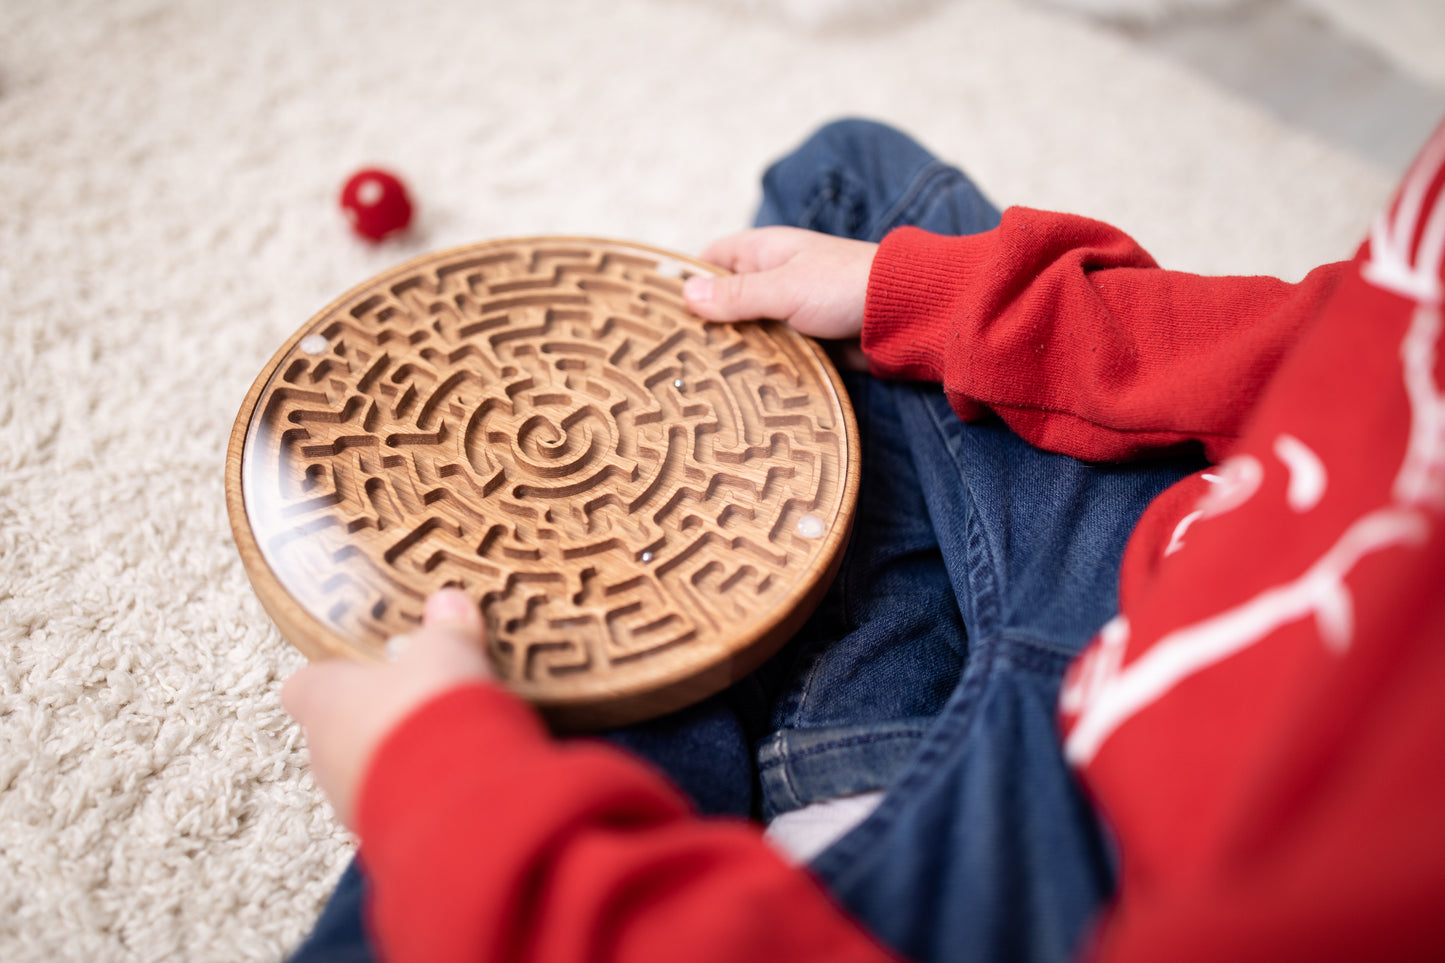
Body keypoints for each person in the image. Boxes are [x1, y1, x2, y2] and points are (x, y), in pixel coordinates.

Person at [283, 117, 1445, 962]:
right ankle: (859, 751)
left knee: (559, 685)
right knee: (847, 190)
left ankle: (839, 825)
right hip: (1182, 574)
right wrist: (930, 298)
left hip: (1076, 869)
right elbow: (1336, 338)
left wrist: (435, 786)